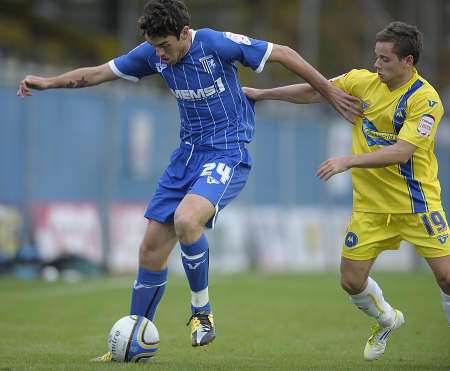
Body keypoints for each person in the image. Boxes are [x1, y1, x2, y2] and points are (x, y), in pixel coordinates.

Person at [17, 0, 361, 361]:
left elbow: (284, 53)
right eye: (154, 48)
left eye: (165, 46)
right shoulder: (152, 54)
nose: (160, 56)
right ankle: (133, 338)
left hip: (227, 153)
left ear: (184, 33)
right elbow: (96, 74)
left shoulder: (215, 43)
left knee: (186, 220)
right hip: (186, 157)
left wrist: (328, 90)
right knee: (150, 249)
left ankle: (202, 313)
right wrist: (49, 82)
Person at [244, 21, 450, 361]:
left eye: (384, 59)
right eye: (376, 57)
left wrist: (348, 161)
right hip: (370, 209)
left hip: (418, 206)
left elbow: (401, 152)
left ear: (407, 62)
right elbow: (317, 90)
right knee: (351, 282)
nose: (376, 65)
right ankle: (386, 319)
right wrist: (263, 94)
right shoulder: (362, 82)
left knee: (446, 278)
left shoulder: (425, 100)